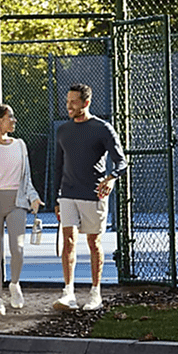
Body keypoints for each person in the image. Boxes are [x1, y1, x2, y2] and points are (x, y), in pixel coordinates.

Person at [53, 83, 128, 311]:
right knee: (68, 241)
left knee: (94, 243)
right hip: (68, 195)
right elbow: (57, 167)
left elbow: (122, 162)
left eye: (74, 101)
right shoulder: (63, 130)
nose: (69, 105)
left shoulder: (102, 129)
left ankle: (95, 294)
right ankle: (68, 294)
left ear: (86, 103)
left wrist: (112, 178)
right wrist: (57, 199)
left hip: (93, 195)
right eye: (67, 101)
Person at [0, 103, 44, 315]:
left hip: (17, 202)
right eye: (10, 117)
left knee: (18, 248)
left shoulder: (20, 145)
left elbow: (26, 179)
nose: (14, 120)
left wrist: (34, 197)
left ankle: (14, 284)